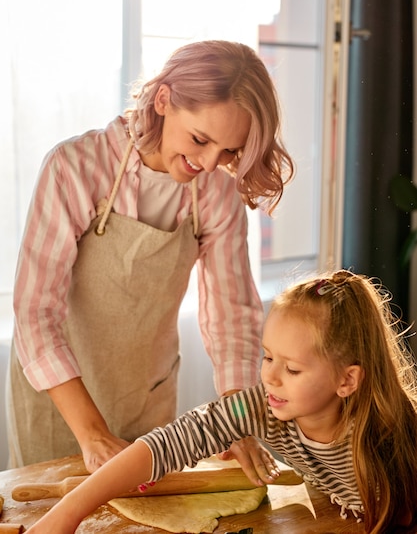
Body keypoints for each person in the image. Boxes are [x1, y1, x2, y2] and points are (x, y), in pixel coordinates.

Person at [6, 40, 294, 476]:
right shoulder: (75, 168)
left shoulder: (217, 192)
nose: (209, 162)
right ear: (163, 100)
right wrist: (92, 434)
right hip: (61, 403)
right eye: (200, 139)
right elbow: (34, 314)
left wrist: (237, 423)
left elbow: (231, 316)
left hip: (146, 398)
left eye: (229, 152)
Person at [25, 270, 417, 534]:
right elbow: (170, 442)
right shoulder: (262, 407)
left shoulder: (388, 434)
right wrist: (68, 512)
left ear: (347, 380)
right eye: (267, 358)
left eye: (292, 369)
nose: (270, 377)